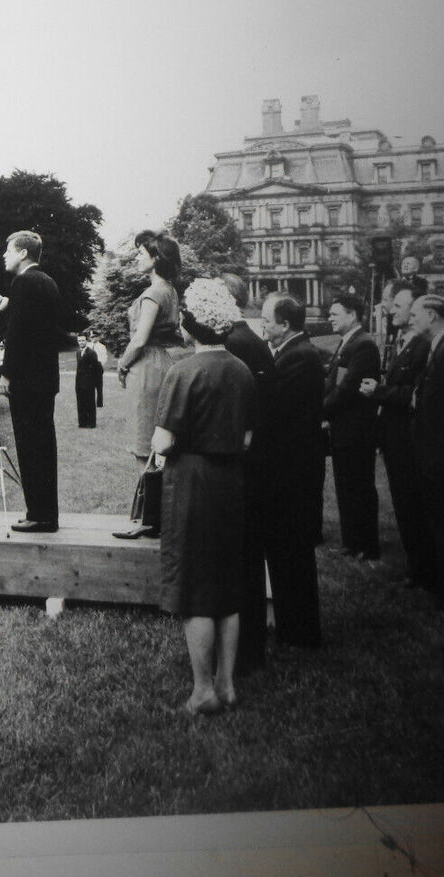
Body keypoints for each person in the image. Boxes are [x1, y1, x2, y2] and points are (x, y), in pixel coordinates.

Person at [150, 277, 257, 716]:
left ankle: (202, 691)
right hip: (232, 482)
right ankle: (228, 685)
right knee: (228, 587)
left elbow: (161, 441)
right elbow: (247, 438)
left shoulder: (182, 372)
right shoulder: (242, 370)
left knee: (195, 590)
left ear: (191, 326)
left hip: (192, 485)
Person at [258, 292, 325, 650]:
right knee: (287, 554)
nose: (264, 326)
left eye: (267, 320)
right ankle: (293, 626)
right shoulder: (293, 353)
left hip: (292, 476)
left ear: (285, 325)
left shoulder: (299, 358)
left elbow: (276, 411)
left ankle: (300, 633)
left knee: (292, 553)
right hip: (291, 472)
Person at [359, 280, 434, 590]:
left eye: (400, 306)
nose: (391, 310)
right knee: (404, 505)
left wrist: (379, 391)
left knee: (414, 505)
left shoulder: (423, 346)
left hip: (408, 440)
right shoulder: (403, 341)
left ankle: (424, 570)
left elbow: (414, 394)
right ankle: (416, 566)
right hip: (394, 438)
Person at [219, 273, 275, 675]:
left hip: (245, 465)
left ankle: (247, 650)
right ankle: (249, 646)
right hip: (257, 462)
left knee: (242, 560)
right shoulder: (249, 339)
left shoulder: (236, 344)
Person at [0, 230, 62, 532]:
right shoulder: (47, 282)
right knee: (43, 447)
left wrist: (6, 373)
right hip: (44, 380)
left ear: (22, 253)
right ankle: (45, 513)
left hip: (27, 382)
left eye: (8, 250)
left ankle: (39, 515)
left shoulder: (23, 283)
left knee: (31, 447)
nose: (4, 256)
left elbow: (18, 334)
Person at [114, 231, 183, 539]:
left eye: (142, 253)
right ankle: (155, 515)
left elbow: (140, 339)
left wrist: (122, 362)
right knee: (155, 443)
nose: (138, 258)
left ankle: (149, 518)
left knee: (145, 446)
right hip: (161, 363)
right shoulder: (169, 289)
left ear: (157, 259)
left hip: (149, 368)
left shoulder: (155, 291)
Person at [408, 294, 444, 613]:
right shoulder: (441, 347)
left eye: (416, 314)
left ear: (431, 315)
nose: (412, 319)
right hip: (435, 456)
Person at [323, 293, 382, 561]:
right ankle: (352, 542)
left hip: (356, 431)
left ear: (352, 315)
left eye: (335, 314)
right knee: (346, 487)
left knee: (358, 487)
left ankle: (366, 546)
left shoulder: (363, 345)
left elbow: (346, 389)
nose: (329, 319)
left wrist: (318, 411)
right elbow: (334, 382)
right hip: (343, 429)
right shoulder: (348, 343)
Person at [73, 336, 103, 429]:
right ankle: (82, 422)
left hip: (89, 382)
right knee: (81, 403)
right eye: (79, 341)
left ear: (86, 341)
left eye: (82, 340)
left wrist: (94, 382)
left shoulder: (91, 353)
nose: (81, 342)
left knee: (89, 403)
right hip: (79, 382)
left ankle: (91, 423)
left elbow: (96, 369)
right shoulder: (78, 353)